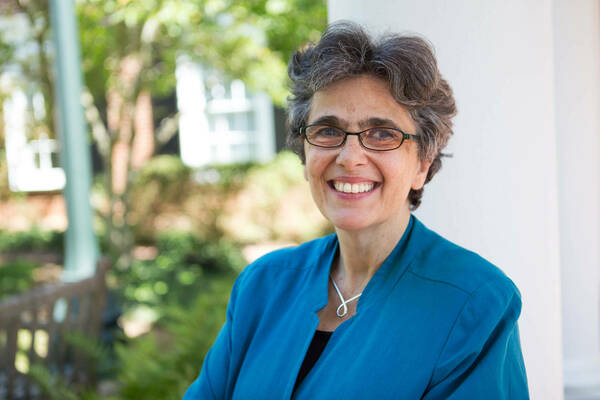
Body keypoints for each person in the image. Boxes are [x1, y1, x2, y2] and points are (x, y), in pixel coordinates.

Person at [184, 21, 529, 399]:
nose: (349, 158)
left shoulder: (475, 304)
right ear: (305, 154)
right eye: (327, 130)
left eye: (382, 134)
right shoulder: (262, 286)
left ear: (422, 163)